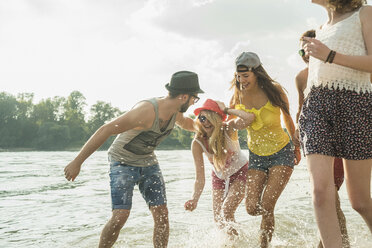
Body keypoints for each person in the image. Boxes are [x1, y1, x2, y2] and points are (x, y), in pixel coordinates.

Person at [64, 71, 204, 248]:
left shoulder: (175, 112)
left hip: (148, 162)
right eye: (194, 99)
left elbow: (188, 124)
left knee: (162, 213)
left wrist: (211, 127)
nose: (194, 102)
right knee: (120, 215)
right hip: (122, 161)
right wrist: (77, 162)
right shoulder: (146, 111)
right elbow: (105, 130)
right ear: (184, 96)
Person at [299, 0, 372, 247]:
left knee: (360, 201)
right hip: (317, 105)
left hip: (356, 105)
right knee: (320, 193)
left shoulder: (365, 13)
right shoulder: (320, 28)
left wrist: (329, 55)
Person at [229, 52, 301, 248]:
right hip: (257, 156)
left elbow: (287, 118)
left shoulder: (274, 90)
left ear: (256, 73)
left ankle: (264, 245)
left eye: (246, 76)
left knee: (268, 206)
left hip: (281, 152)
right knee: (251, 208)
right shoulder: (237, 94)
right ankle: (268, 229)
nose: (241, 80)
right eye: (238, 75)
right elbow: (229, 123)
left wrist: (296, 147)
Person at [295, 29, 349, 248]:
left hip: (338, 144)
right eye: (302, 50)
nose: (306, 54)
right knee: (327, 200)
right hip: (314, 144)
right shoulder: (301, 77)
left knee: (331, 200)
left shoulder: (339, 71)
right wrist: (297, 138)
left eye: (310, 47)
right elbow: (301, 109)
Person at [184, 99, 255, 236]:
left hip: (241, 171)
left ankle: (240, 242)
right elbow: (199, 177)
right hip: (219, 177)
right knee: (218, 219)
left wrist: (227, 110)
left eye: (210, 118)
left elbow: (249, 119)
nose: (205, 122)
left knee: (227, 211)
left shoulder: (228, 128)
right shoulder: (197, 143)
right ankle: (237, 241)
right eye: (202, 118)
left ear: (217, 118)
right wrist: (194, 198)